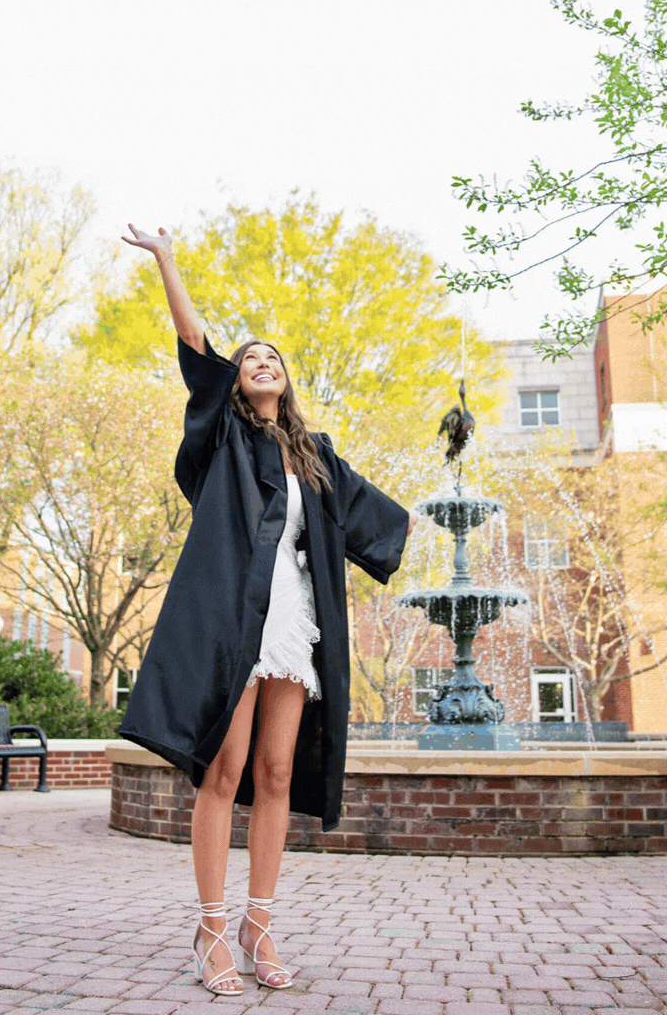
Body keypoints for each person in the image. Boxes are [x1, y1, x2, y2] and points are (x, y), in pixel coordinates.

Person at [119, 224, 416, 996]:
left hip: (294, 618)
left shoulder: (317, 454)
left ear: (286, 380)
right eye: (250, 358)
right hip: (234, 618)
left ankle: (260, 922)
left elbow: (379, 522)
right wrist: (167, 260)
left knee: (277, 771)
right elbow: (195, 346)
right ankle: (212, 929)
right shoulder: (224, 433)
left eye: (272, 358)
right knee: (224, 769)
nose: (260, 363)